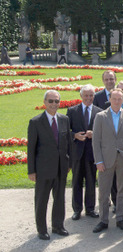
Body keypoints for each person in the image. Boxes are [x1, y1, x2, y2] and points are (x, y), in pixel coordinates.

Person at [28, 90, 72, 240]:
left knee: (59, 198)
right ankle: (42, 229)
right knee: (42, 200)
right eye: (51, 101)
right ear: (45, 102)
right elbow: (31, 148)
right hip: (43, 169)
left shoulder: (64, 119)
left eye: (57, 101)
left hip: (61, 167)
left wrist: (69, 163)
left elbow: (68, 143)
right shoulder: (35, 122)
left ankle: (58, 226)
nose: (54, 104)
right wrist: (31, 171)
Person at [92, 88, 123, 233]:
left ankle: (120, 218)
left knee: (122, 190)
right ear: (110, 99)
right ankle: (103, 220)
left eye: (120, 99)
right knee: (104, 191)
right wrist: (98, 161)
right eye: (114, 98)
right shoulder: (100, 116)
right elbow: (96, 140)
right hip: (105, 159)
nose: (117, 101)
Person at [66, 84, 102, 221]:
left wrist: (95, 133)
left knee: (91, 181)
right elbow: (65, 131)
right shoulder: (72, 111)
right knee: (76, 182)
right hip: (77, 153)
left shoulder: (99, 112)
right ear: (81, 96)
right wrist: (75, 135)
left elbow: (103, 132)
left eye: (91, 95)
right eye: (86, 95)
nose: (89, 98)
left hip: (92, 153)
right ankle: (77, 209)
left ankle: (90, 208)